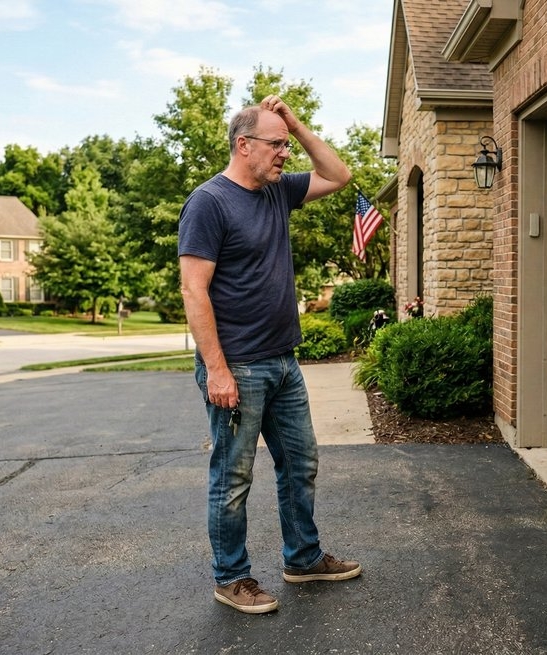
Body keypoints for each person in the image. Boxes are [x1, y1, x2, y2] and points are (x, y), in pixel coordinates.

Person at [178, 95, 360, 615]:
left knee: (300, 464)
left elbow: (339, 174)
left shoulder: (278, 191)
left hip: (283, 361)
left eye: (286, 145)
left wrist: (295, 125)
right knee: (233, 478)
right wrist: (217, 369)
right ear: (243, 145)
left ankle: (303, 558)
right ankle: (231, 577)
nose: (285, 154)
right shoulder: (209, 202)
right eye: (276, 144)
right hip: (237, 366)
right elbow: (193, 289)